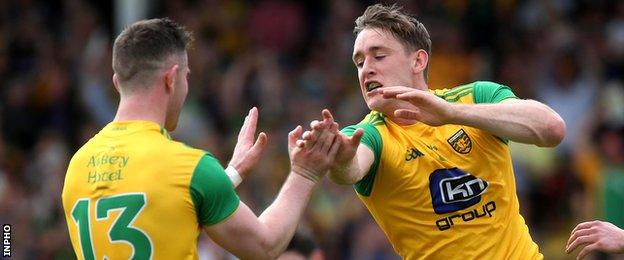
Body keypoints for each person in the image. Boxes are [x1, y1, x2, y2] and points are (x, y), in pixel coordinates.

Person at [61, 18, 340, 259]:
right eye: (186, 77)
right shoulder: (189, 167)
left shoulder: (77, 166)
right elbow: (265, 247)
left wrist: (230, 175)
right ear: (171, 79)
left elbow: (164, 209)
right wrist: (305, 172)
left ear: (117, 83)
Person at [302, 4, 566, 259]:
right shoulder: (370, 134)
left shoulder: (476, 97)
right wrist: (340, 159)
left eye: (379, 56)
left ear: (418, 61)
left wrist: (451, 114)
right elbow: (350, 169)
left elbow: (551, 129)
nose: (366, 69)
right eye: (359, 62)